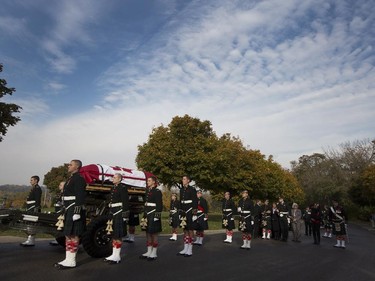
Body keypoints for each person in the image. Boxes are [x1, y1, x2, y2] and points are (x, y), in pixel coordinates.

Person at [54, 160, 86, 269]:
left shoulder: (79, 179)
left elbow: (80, 196)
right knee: (68, 234)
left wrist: (77, 212)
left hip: (73, 208)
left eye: (70, 164)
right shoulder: (71, 178)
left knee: (74, 234)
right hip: (68, 208)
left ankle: (72, 260)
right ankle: (68, 258)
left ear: (77, 167)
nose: (68, 166)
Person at [104, 173, 129, 264]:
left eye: (114, 178)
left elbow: (125, 202)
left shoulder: (122, 188)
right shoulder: (113, 187)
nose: (112, 179)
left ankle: (117, 256)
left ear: (119, 179)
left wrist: (125, 215)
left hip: (119, 211)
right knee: (114, 234)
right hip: (113, 211)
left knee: (118, 235)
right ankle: (114, 254)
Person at [140, 176, 162, 260]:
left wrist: (157, 215)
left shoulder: (157, 191)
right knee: (147, 232)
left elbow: (159, 204)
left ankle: (154, 252)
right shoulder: (147, 190)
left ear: (153, 182)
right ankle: (149, 251)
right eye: (147, 181)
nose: (147, 182)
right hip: (147, 213)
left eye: (149, 181)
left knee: (154, 233)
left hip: (153, 213)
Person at [178, 175, 198, 257]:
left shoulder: (192, 189)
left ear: (188, 181)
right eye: (182, 179)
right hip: (183, 211)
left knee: (190, 230)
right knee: (185, 229)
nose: (182, 180)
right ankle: (185, 248)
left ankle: (190, 249)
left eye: (184, 179)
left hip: (190, 211)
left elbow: (195, 201)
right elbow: (180, 201)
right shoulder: (181, 189)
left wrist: (194, 213)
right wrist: (180, 212)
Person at [20, 175, 42, 247]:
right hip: (30, 207)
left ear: (36, 181)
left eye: (31, 180)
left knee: (31, 224)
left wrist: (36, 209)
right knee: (29, 223)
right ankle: (29, 239)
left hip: (33, 208)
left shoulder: (37, 189)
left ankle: (31, 240)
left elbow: (37, 200)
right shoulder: (34, 188)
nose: (30, 181)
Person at [49, 181, 65, 246]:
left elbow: (63, 203)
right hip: (57, 211)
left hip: (61, 212)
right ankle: (57, 238)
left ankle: (59, 239)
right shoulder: (59, 193)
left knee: (60, 226)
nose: (59, 186)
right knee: (56, 225)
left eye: (61, 185)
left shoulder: (65, 193)